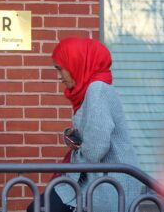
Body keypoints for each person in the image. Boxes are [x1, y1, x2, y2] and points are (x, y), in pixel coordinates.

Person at [27, 37, 142, 212]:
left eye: (60, 69)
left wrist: (78, 144)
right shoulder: (89, 91)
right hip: (92, 183)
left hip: (108, 188)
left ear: (75, 63)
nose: (59, 77)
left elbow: (95, 151)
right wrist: (77, 139)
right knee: (39, 206)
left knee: (38, 208)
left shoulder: (97, 89)